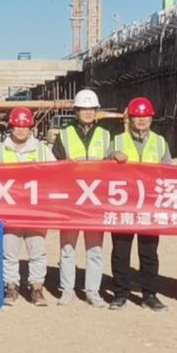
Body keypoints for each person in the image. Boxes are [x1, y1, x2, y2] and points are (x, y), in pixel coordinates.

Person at [109, 96, 171, 311]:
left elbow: (170, 172)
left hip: (150, 207)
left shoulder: (160, 142)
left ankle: (149, 295)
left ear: (151, 118)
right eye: (137, 116)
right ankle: (120, 294)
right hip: (123, 206)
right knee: (121, 253)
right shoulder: (117, 141)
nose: (142, 120)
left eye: (145, 116)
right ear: (130, 119)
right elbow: (103, 168)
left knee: (149, 253)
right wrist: (112, 156)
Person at [52, 89, 110, 307]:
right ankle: (67, 290)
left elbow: (112, 168)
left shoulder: (105, 135)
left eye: (91, 109)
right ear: (76, 111)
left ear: (96, 111)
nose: (88, 112)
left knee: (95, 250)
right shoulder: (64, 135)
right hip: (71, 201)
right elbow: (54, 166)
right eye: (83, 109)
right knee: (67, 249)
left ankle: (92, 291)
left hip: (95, 202)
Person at [0, 106, 54, 306]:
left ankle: (37, 288)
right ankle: (11, 287)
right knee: (9, 252)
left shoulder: (42, 150)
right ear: (11, 127)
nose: (20, 130)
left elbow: (56, 174)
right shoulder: (0, 151)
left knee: (37, 251)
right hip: (10, 211)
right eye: (17, 126)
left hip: (36, 211)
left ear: (31, 128)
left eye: (24, 126)